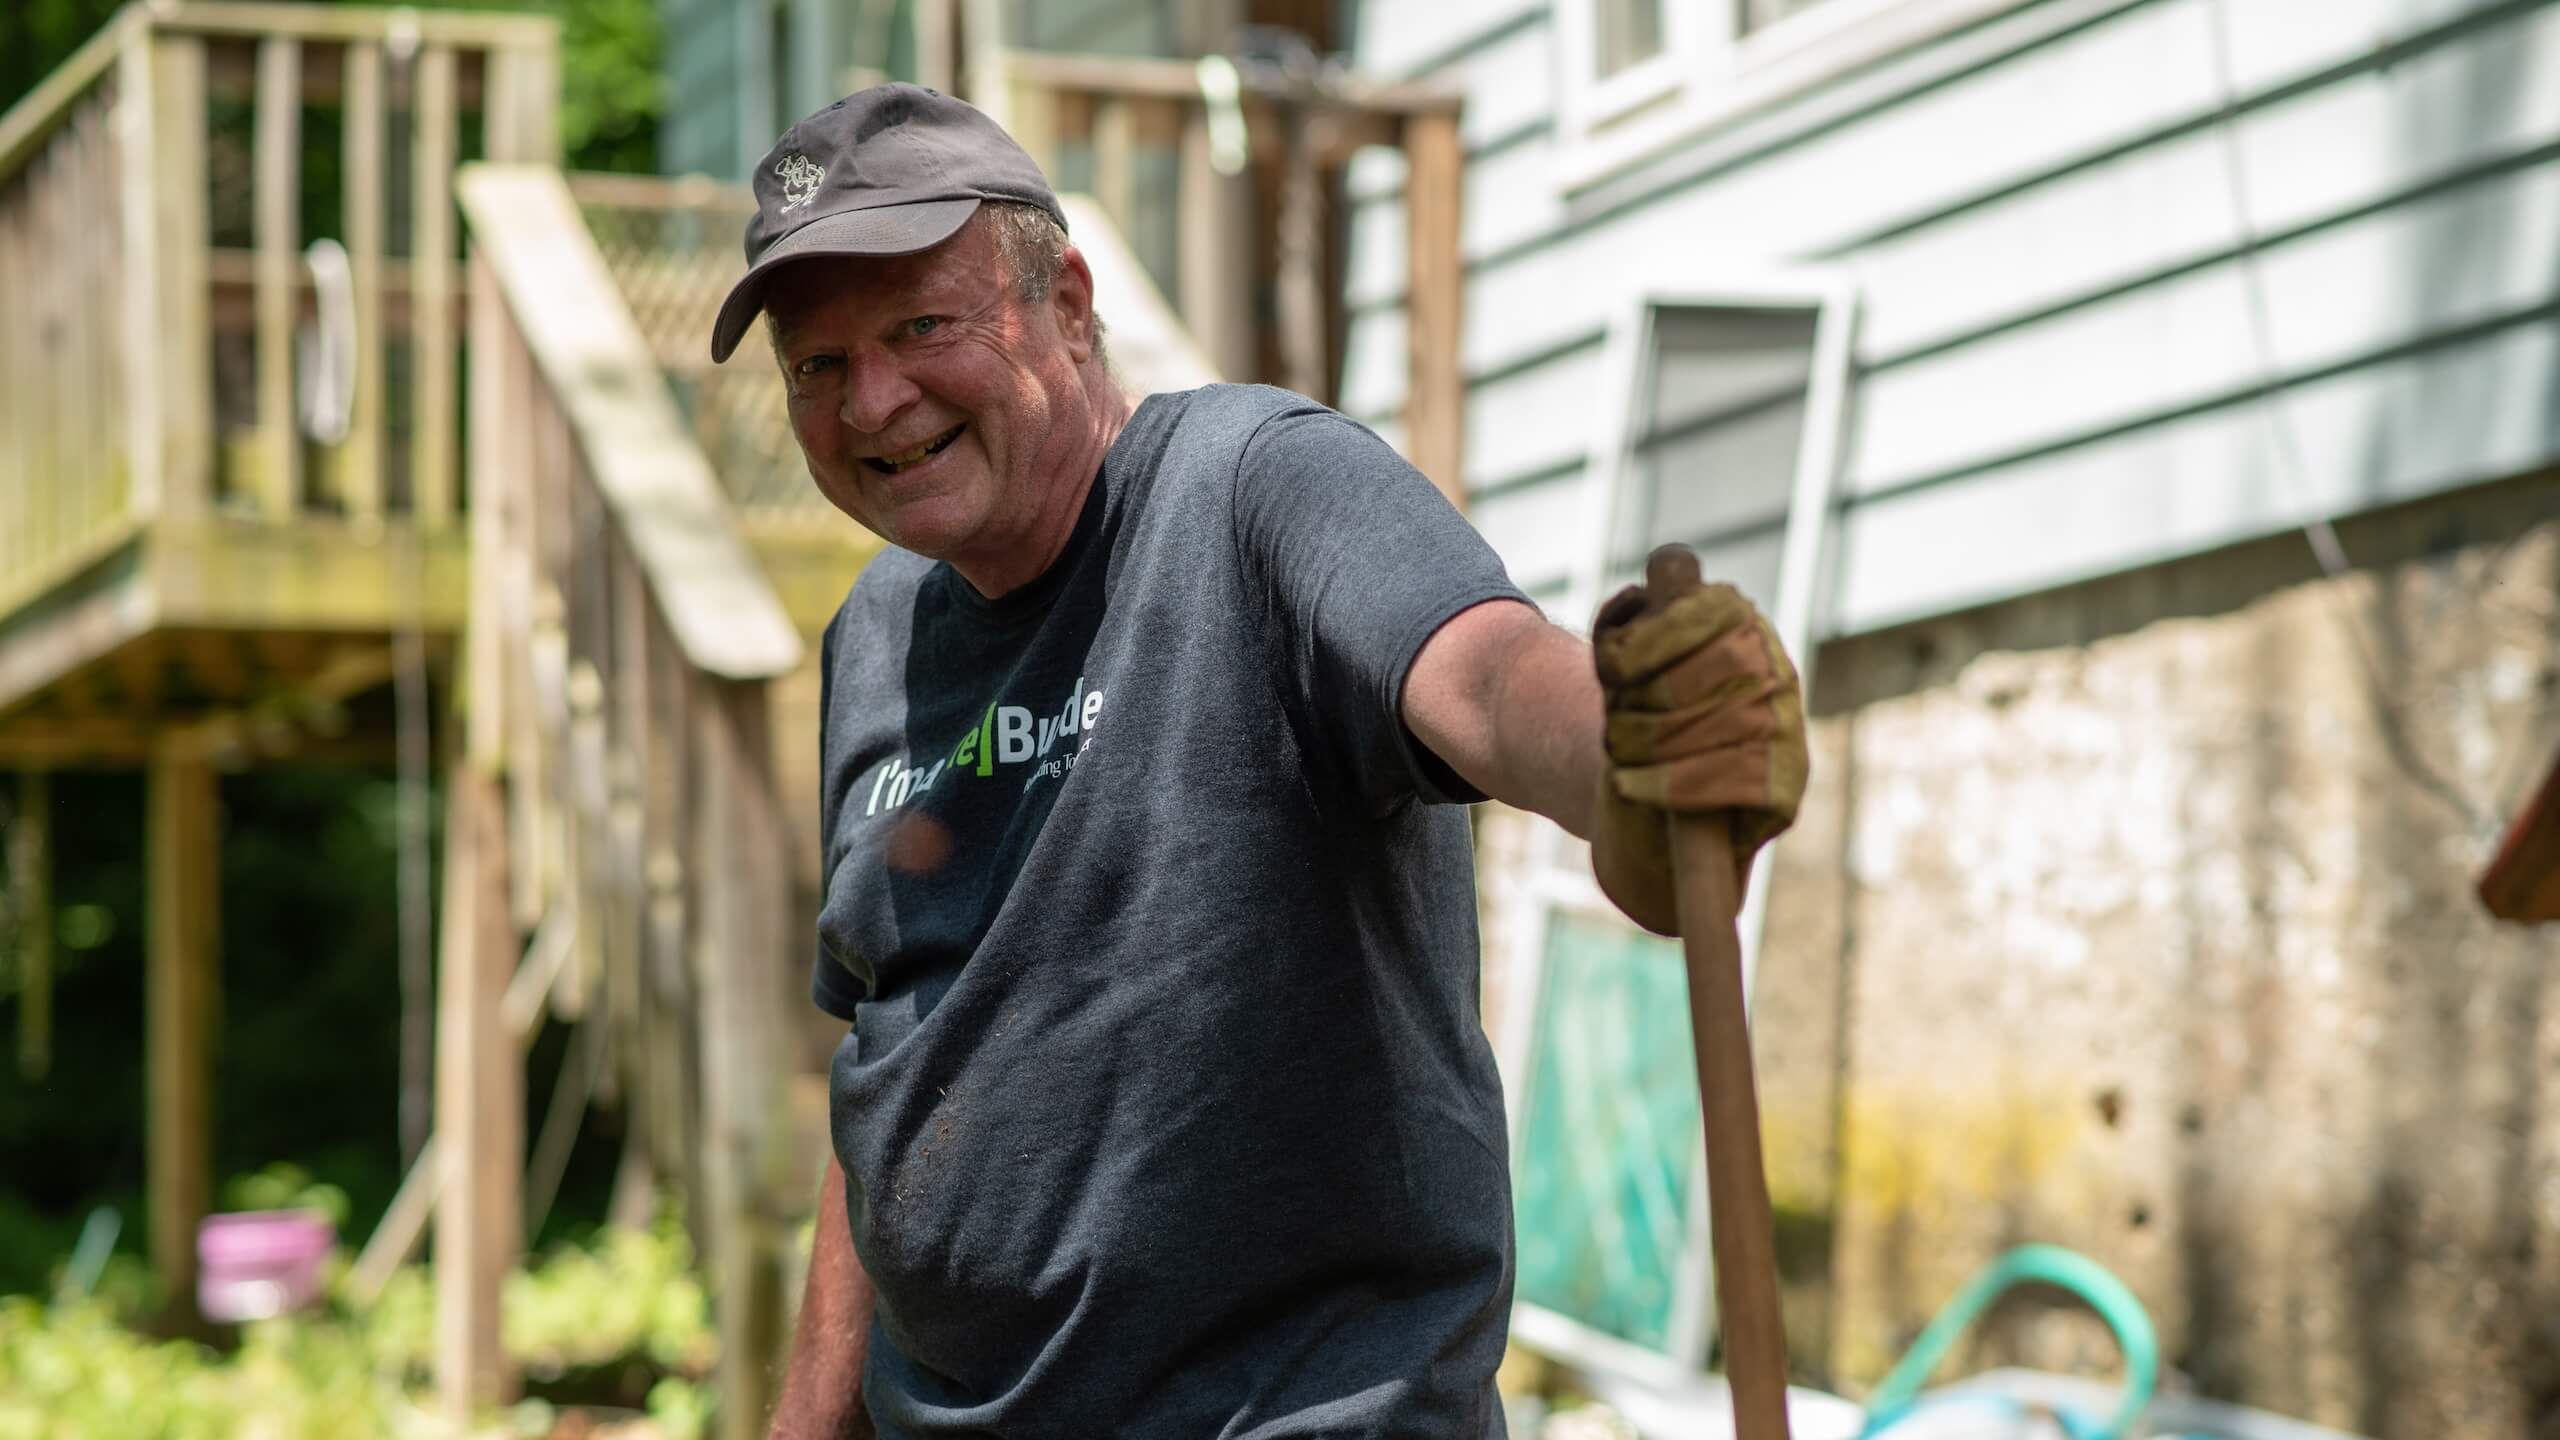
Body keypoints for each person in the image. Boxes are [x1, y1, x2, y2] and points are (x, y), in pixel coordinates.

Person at [710, 84, 1807, 1440]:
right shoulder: (874, 637)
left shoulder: (1255, 490)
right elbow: (886, 1057)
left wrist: (1632, 750)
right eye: (816, 367)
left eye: (922, 325)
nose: (872, 399)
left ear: (1064, 299)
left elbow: (1486, 676)